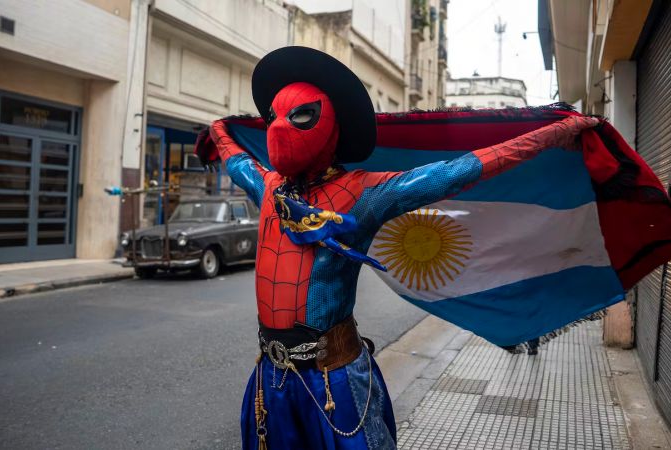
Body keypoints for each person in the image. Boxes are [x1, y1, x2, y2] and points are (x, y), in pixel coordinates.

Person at [196, 46, 599, 450]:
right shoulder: (269, 189)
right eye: (273, 117)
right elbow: (234, 157)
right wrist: (217, 131)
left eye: (300, 116)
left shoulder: (362, 193)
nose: (280, 128)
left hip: (332, 377)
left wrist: (552, 134)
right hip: (271, 377)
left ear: (331, 126)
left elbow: (454, 173)